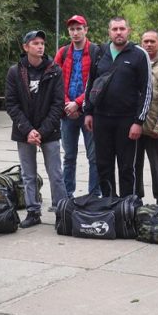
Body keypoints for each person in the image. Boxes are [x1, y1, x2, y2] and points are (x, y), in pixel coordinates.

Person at [84, 17, 152, 198]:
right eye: (115, 29)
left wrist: (139, 121)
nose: (118, 32)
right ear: (109, 32)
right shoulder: (99, 52)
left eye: (122, 28)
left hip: (127, 120)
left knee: (126, 167)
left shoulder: (138, 54)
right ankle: (108, 203)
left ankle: (127, 206)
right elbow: (90, 84)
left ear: (128, 30)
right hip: (101, 118)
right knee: (103, 165)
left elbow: (147, 90)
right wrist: (88, 112)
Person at [5, 30, 67, 227]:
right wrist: (28, 130)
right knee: (28, 174)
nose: (40, 46)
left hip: (49, 131)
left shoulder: (54, 70)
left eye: (42, 43)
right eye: (35, 43)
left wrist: (42, 131)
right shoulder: (15, 71)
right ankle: (33, 211)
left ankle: (61, 211)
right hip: (24, 131)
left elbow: (58, 104)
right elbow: (11, 104)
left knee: (56, 174)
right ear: (26, 47)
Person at [54, 15, 100, 197]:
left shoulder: (96, 51)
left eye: (78, 28)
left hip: (89, 113)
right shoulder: (63, 52)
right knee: (69, 157)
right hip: (67, 114)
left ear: (86, 30)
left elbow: (97, 83)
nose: (75, 32)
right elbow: (55, 80)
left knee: (94, 158)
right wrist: (67, 104)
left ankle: (94, 196)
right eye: (72, 29)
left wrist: (78, 103)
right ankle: (67, 196)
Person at [136, 29, 158, 203]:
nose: (148, 44)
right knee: (135, 166)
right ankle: (136, 198)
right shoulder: (136, 61)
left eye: (152, 41)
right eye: (145, 41)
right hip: (136, 126)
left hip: (155, 127)